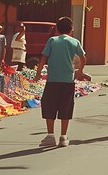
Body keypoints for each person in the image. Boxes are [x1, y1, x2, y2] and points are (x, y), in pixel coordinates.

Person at [34, 16, 87, 148]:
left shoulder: (52, 40)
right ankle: (63, 136)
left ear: (57, 29)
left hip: (53, 80)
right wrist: (79, 71)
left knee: (49, 106)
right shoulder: (75, 42)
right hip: (68, 80)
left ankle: (50, 135)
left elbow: (44, 58)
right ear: (71, 29)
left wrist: (38, 73)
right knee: (66, 107)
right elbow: (83, 58)